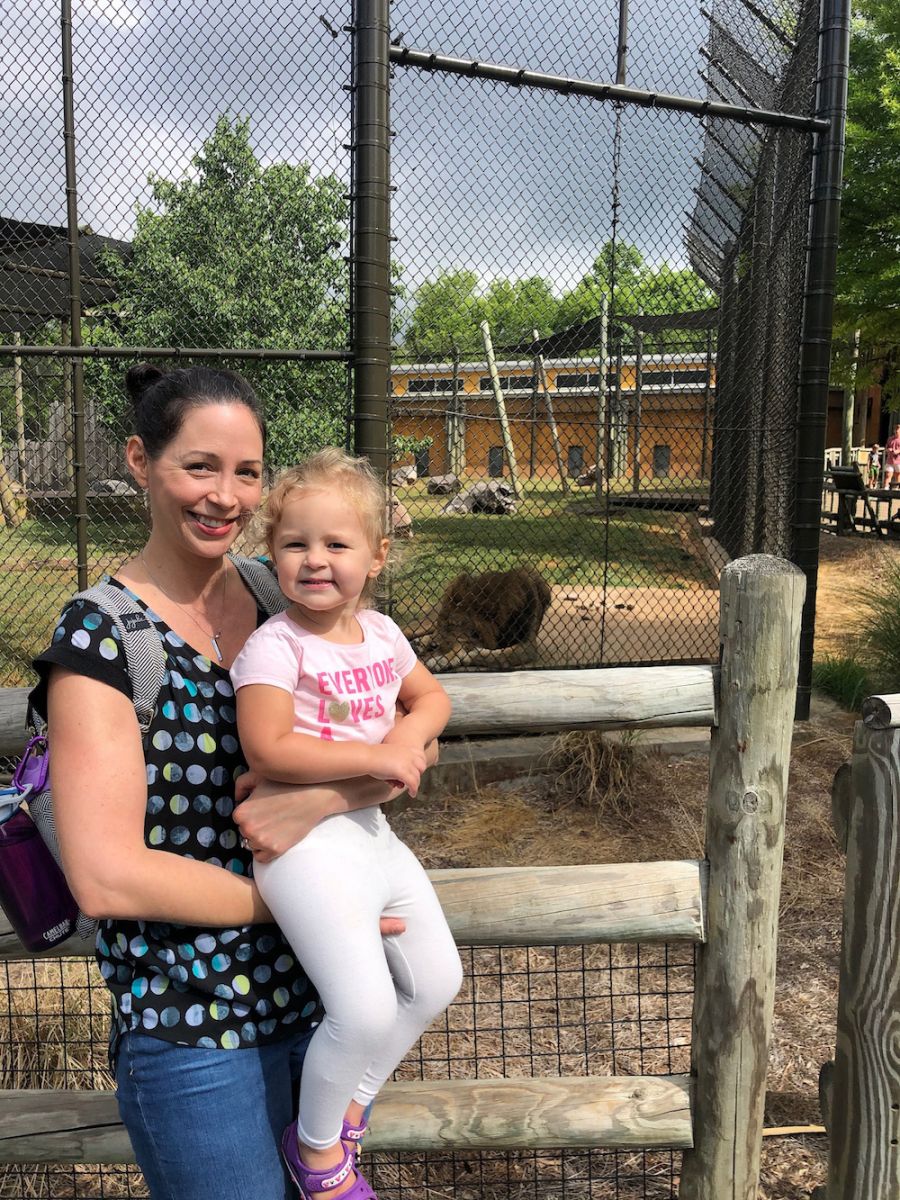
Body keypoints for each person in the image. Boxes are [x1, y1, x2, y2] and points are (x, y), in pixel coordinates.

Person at [30, 365, 427, 1200]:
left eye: (246, 472)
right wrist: (295, 899)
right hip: (193, 1024)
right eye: (199, 466)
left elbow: (389, 742)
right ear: (140, 461)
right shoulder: (104, 635)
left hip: (318, 997)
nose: (226, 496)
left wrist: (323, 801)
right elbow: (104, 876)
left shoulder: (278, 590)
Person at [230, 449, 462, 1200]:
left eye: (338, 545)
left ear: (377, 555)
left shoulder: (384, 635)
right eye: (296, 544)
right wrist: (379, 755)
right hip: (304, 849)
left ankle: (351, 1104)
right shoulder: (275, 646)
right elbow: (268, 747)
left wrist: (403, 741)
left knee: (437, 980)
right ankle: (317, 1151)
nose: (316, 561)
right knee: (360, 1007)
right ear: (272, 554)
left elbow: (433, 703)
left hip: (370, 836)